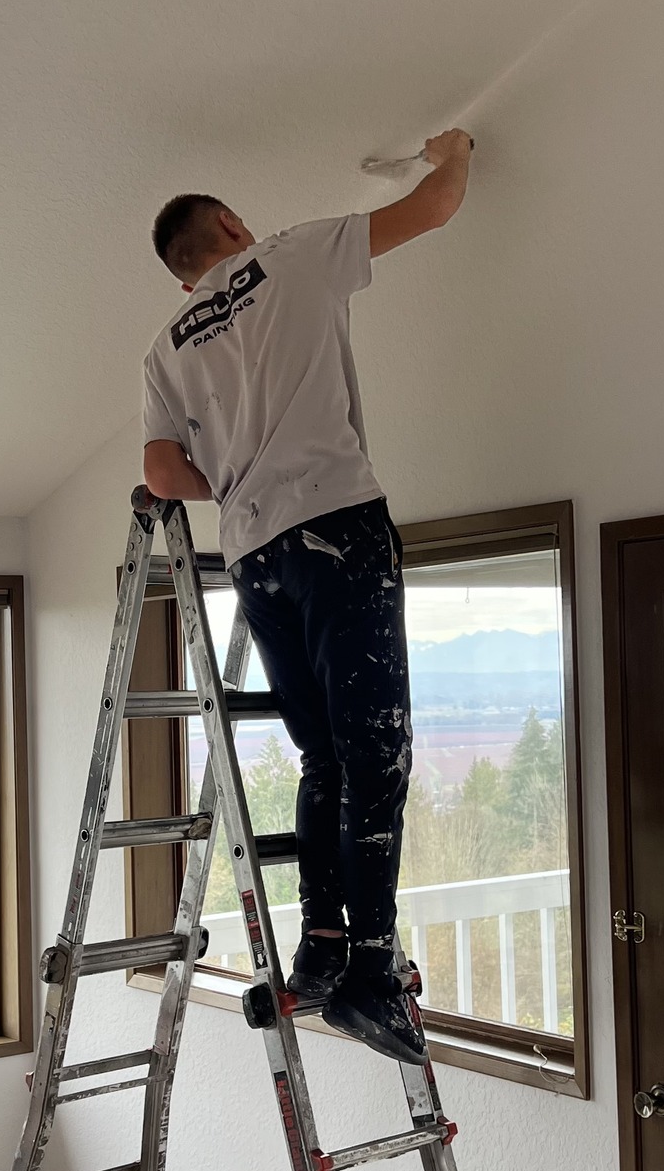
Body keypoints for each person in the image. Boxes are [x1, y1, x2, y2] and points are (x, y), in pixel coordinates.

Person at [140, 129, 473, 1062]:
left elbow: (165, 473)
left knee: (323, 753)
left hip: (255, 553)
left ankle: (323, 947)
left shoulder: (166, 345)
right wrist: (457, 147)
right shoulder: (291, 254)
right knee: (377, 754)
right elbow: (437, 206)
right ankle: (371, 975)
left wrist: (245, 482)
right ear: (235, 228)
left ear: (181, 276)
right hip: (338, 526)